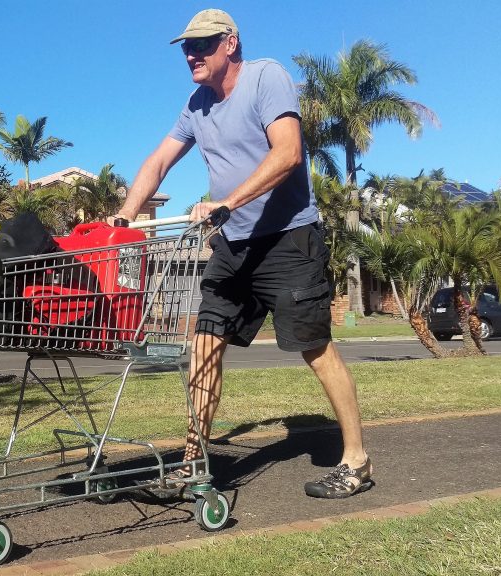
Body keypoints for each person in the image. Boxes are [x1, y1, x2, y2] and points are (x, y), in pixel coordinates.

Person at [114, 9, 373, 498]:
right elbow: (161, 159)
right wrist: (125, 214)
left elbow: (288, 152)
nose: (191, 54)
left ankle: (355, 461)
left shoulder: (265, 78)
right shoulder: (197, 104)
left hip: (287, 240)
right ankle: (193, 461)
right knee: (205, 344)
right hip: (232, 248)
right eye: (187, 47)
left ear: (230, 43)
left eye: (202, 45)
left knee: (314, 348)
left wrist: (226, 202)